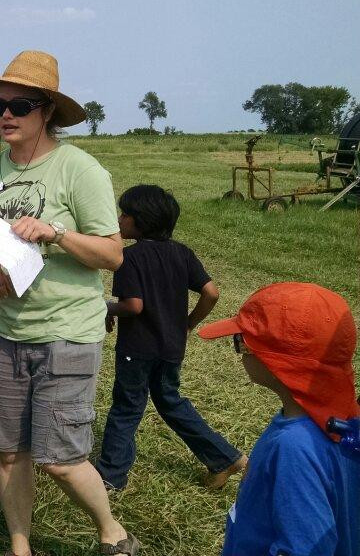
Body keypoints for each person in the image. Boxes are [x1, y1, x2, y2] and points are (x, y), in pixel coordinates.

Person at [0, 50, 138, 556]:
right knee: (9, 453)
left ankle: (112, 532)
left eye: (20, 106)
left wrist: (55, 233)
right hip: (1, 334)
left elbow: (112, 254)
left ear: (47, 111)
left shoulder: (80, 170)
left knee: (60, 459)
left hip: (64, 334)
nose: (5, 115)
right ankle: (20, 545)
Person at [95, 184, 245, 491]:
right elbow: (211, 293)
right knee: (170, 401)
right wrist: (187, 324)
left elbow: (133, 306)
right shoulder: (182, 253)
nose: (119, 219)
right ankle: (224, 458)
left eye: (125, 214)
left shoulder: (129, 257)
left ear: (141, 220)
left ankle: (110, 476)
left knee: (126, 408)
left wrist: (107, 307)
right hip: (171, 347)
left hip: (137, 349)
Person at [198, 282, 360, 556]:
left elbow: (306, 548)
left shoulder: (294, 448)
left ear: (276, 361)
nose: (239, 350)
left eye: (241, 342)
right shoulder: (345, 421)